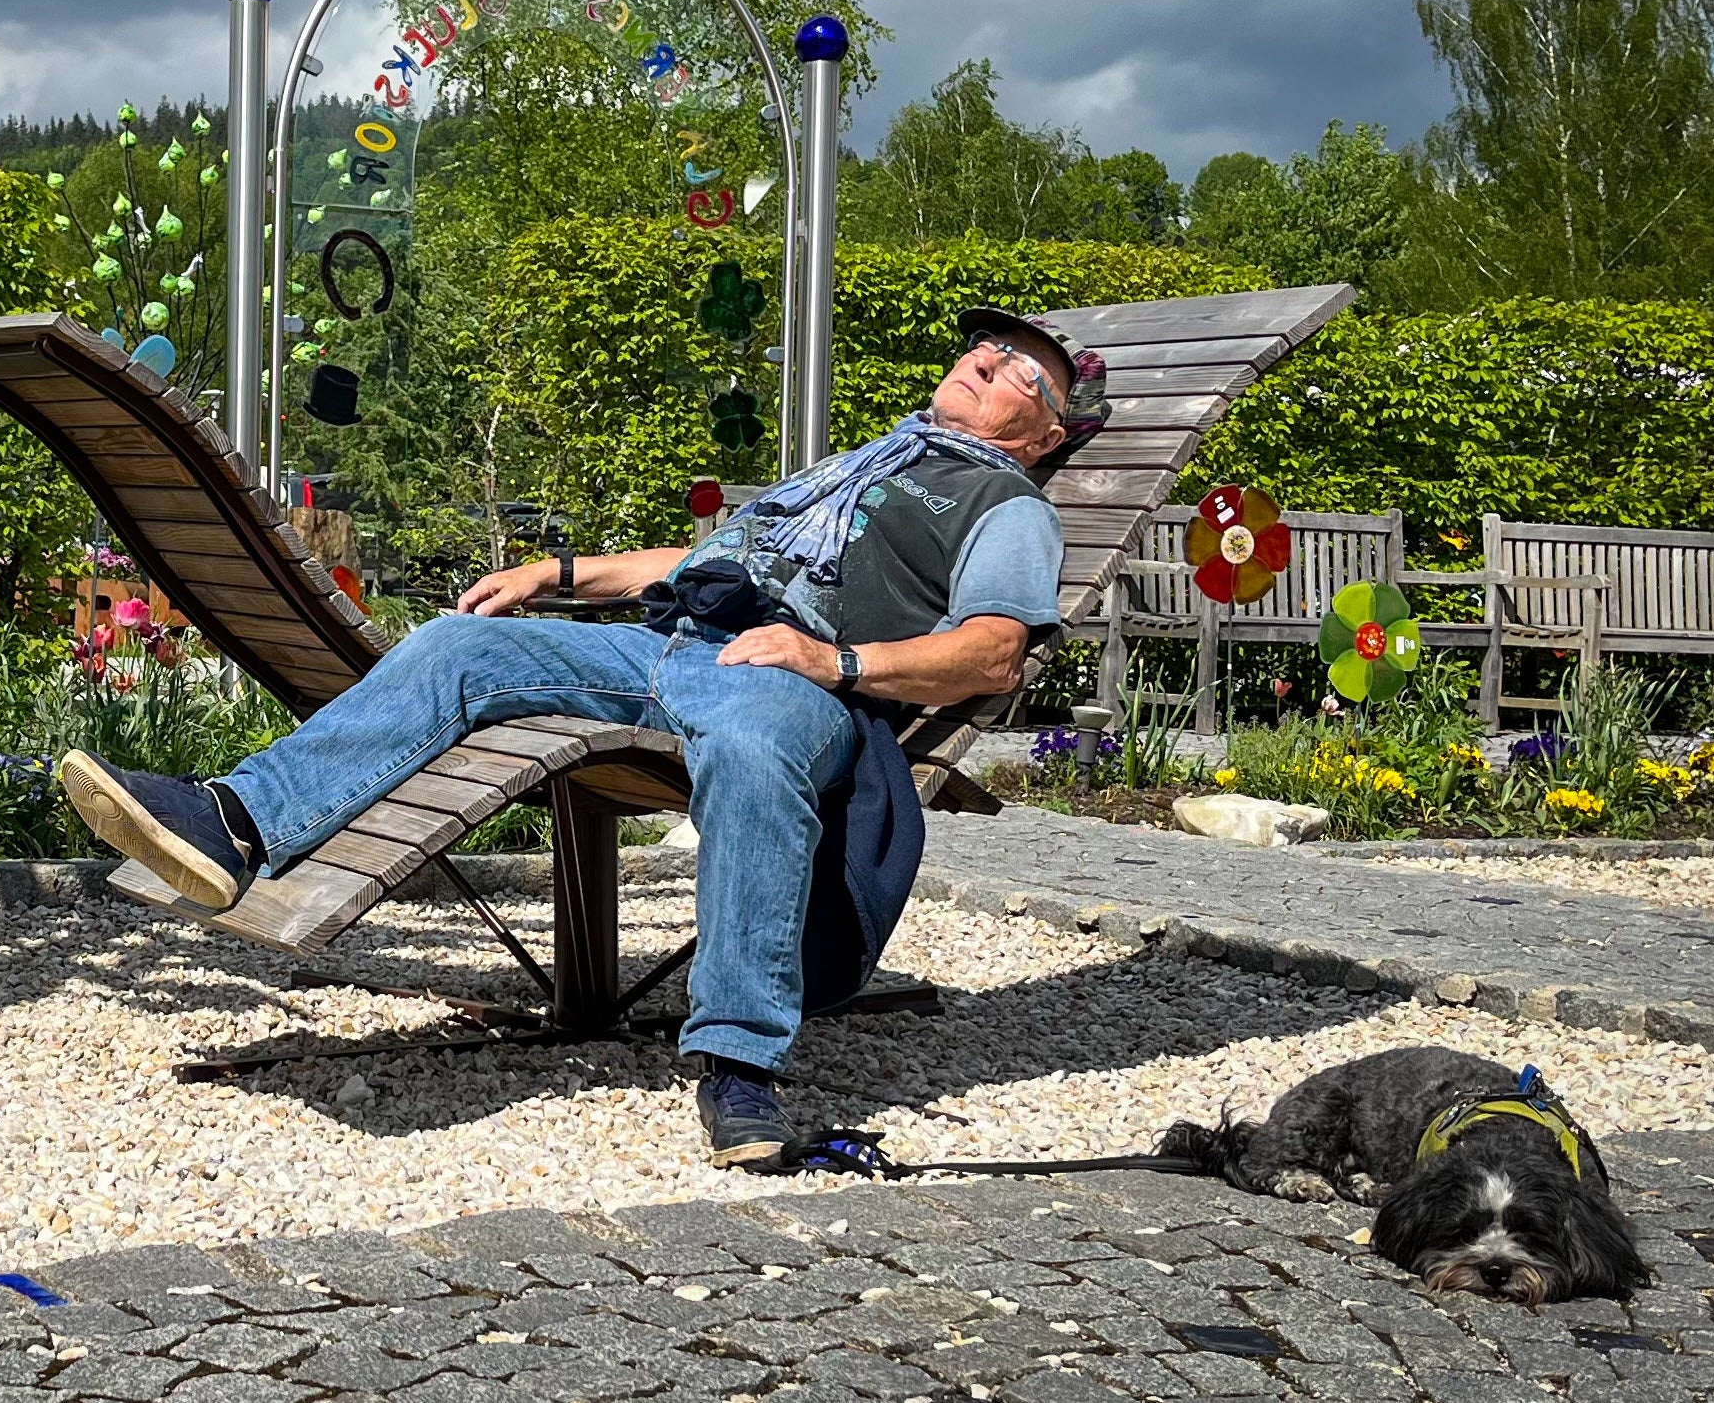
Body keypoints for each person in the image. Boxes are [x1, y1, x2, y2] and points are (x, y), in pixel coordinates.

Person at [59, 308, 1085, 1168]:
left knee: (754, 753)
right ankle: (234, 822)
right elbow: (709, 556)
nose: (983, 359)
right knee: (461, 648)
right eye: (982, 350)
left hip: (791, 677)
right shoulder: (865, 465)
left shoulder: (1006, 505)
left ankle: (740, 1065)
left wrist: (835, 665)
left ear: (1040, 433)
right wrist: (557, 577)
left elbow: (993, 655)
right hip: (674, 645)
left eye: (1015, 372)